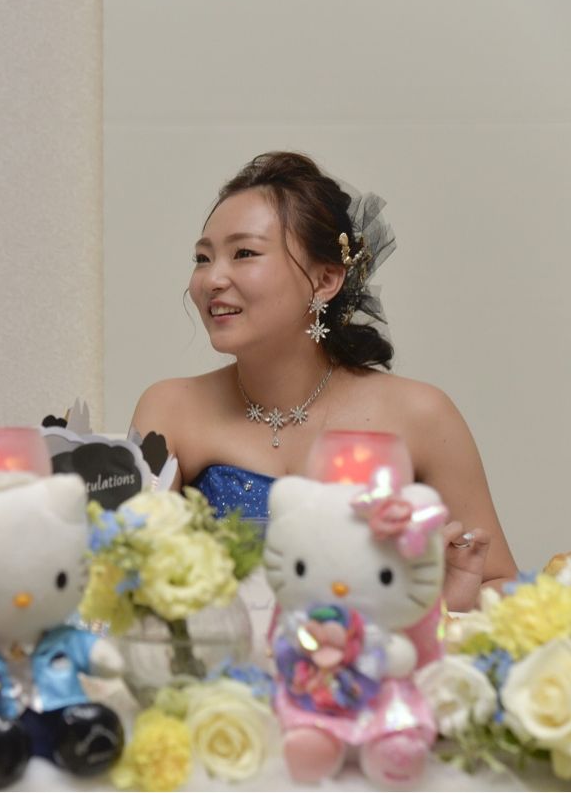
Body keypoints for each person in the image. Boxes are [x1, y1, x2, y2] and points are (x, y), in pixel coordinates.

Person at [131, 151, 516, 611]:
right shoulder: (171, 409)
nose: (211, 279)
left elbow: (499, 582)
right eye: (202, 258)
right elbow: (128, 579)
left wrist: (440, 608)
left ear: (326, 279)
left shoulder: (421, 415)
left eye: (244, 253)